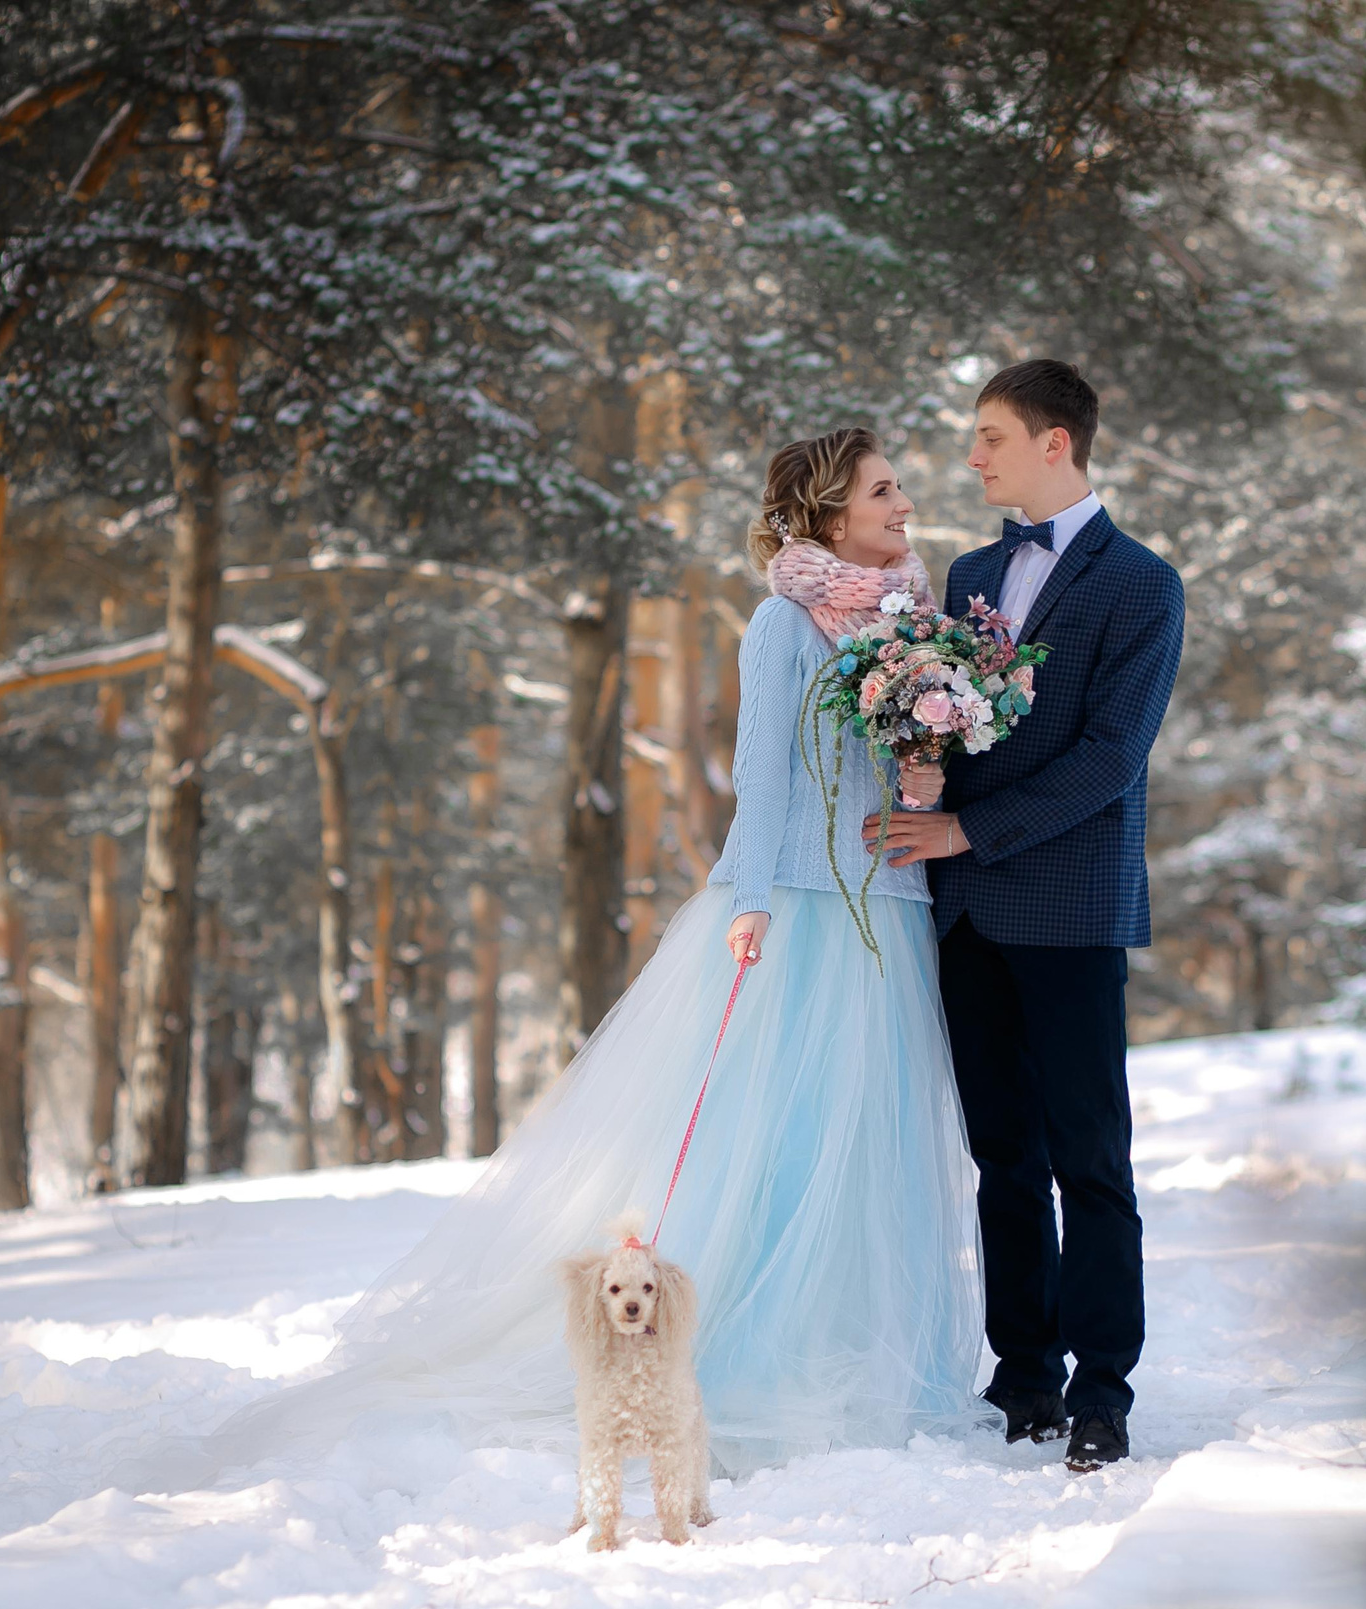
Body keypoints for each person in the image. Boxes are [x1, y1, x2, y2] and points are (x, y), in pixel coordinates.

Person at [207, 427, 982, 1479]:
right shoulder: (781, 622)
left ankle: (871, 1356)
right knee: (783, 1141)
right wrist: (748, 899)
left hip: (891, 903)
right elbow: (762, 774)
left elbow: (895, 761)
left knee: (875, 1152)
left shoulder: (918, 621)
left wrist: (928, 776)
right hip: (799, 906)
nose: (905, 503)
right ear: (829, 510)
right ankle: (746, 1355)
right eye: (884, 490)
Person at [866, 360, 1187, 1473]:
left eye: (991, 437)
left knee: (1090, 1159)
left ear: (1057, 443)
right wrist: (917, 793)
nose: (972, 457)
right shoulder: (968, 570)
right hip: (962, 916)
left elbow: (1111, 759)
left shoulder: (1143, 585)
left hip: (1069, 907)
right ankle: (1022, 1380)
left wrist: (965, 834)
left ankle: (1102, 1391)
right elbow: (945, 727)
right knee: (1003, 1156)